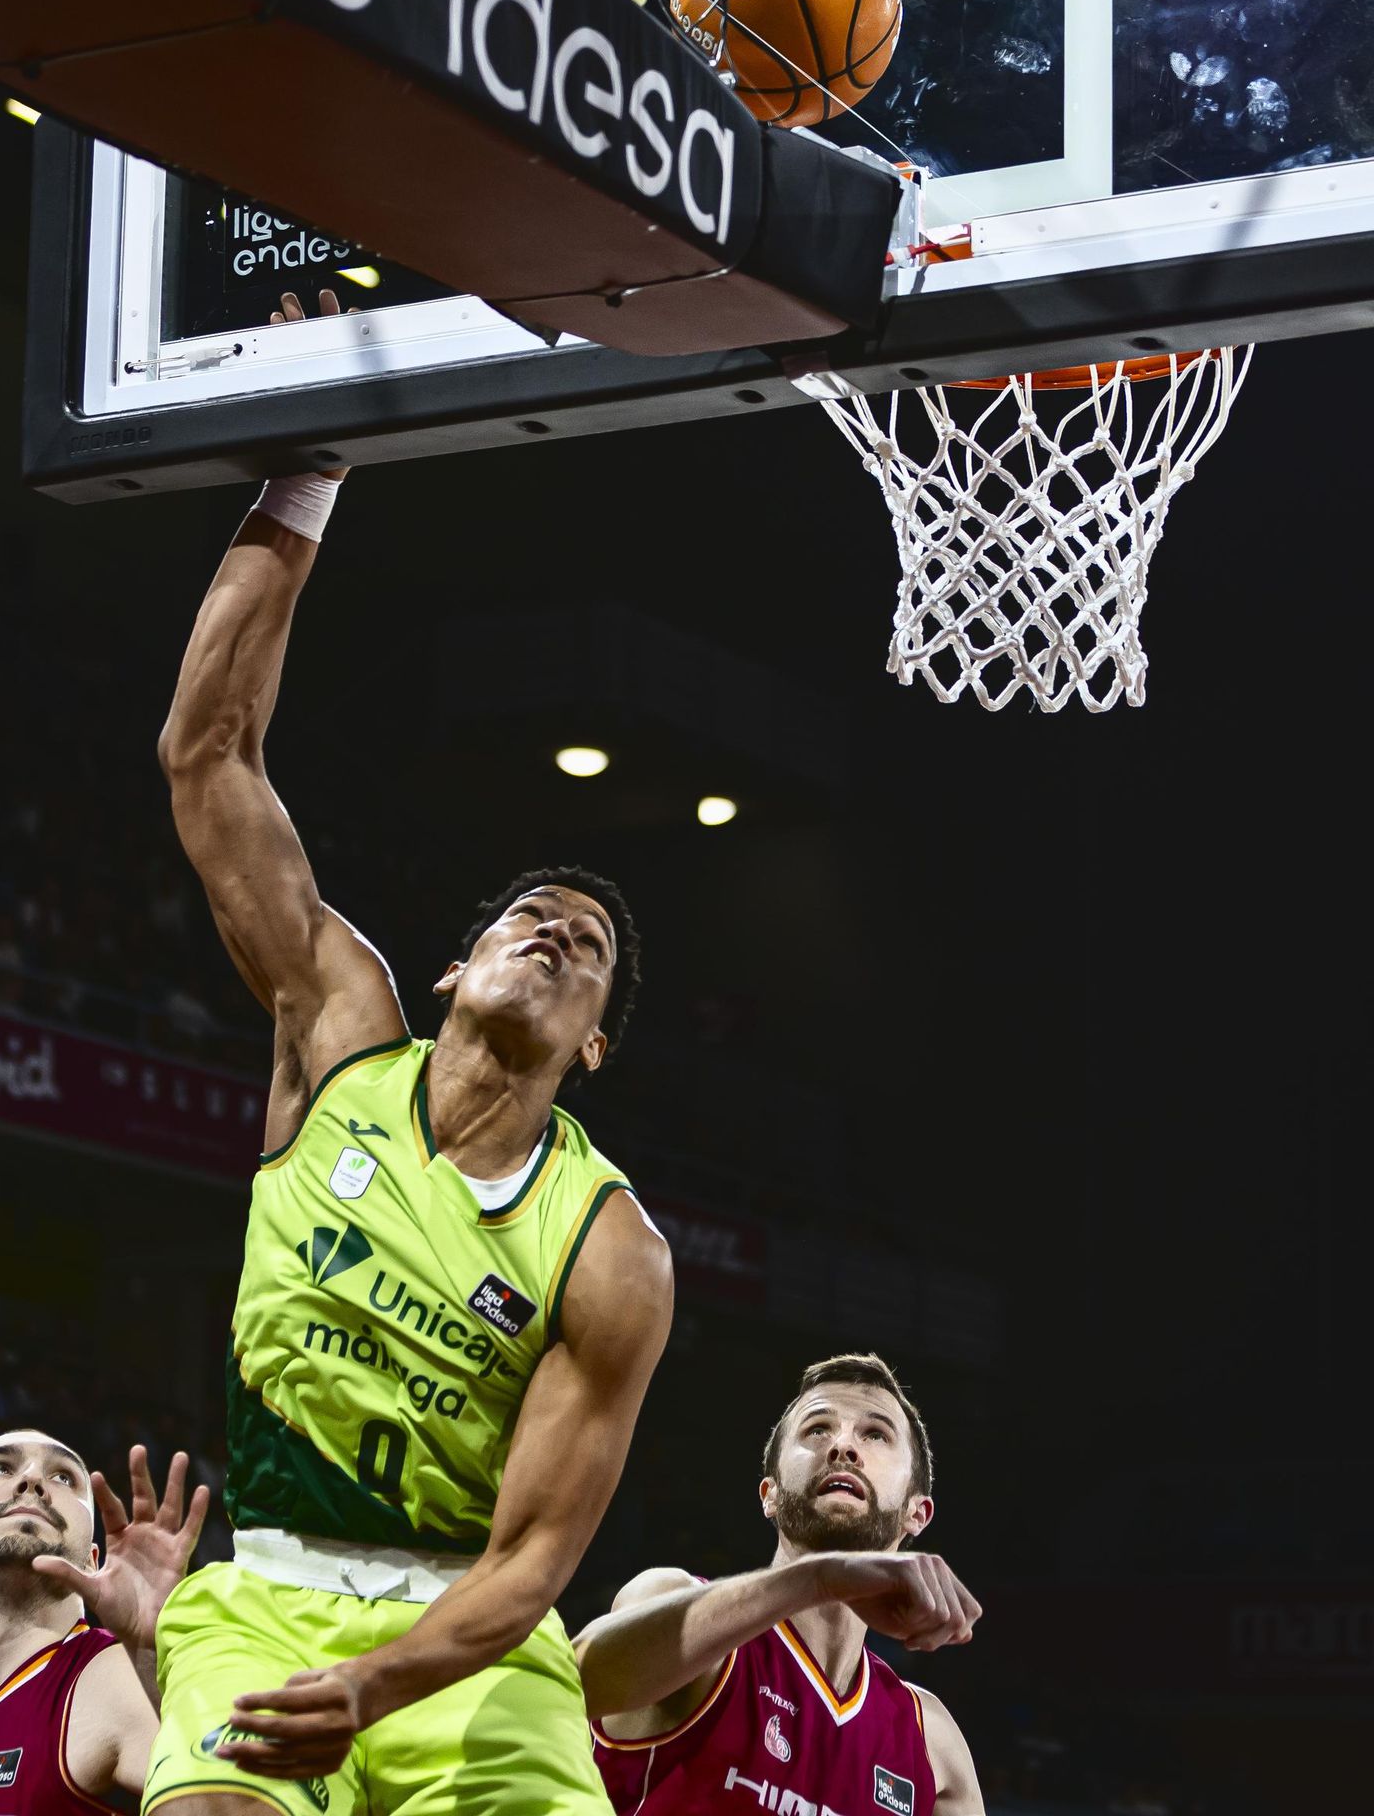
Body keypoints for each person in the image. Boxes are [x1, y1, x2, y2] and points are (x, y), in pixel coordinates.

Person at [149, 291, 674, 1815]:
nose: (556, 929)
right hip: (264, 1597)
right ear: (455, 971)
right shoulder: (336, 1033)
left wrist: (376, 1691)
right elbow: (207, 757)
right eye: (529, 915)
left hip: (470, 1641)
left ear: (593, 1045)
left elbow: (534, 1560)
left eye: (589, 946)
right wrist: (306, 475)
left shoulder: (610, 1247)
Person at [577, 1353, 986, 1816]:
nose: (843, 1447)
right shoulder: (674, 1602)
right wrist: (821, 1579)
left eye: (875, 1434)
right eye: (817, 1429)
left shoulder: (932, 1745)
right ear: (769, 1495)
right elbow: (581, 1678)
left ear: (918, 1512)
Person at [0, 1433, 207, 1812]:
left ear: (91, 1560)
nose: (32, 1479)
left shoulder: (119, 1678)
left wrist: (151, 1656)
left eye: (63, 1477)